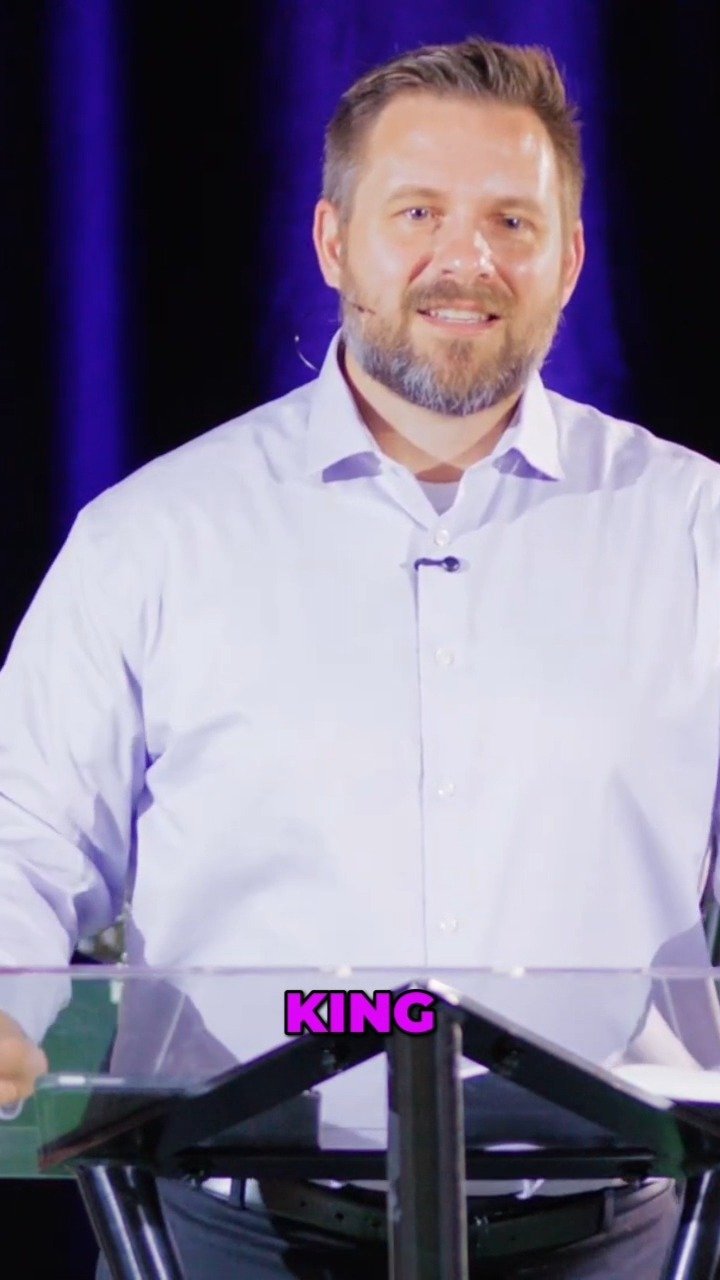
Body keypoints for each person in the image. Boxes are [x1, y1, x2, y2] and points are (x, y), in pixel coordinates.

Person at [0, 32, 715, 1278]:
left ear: (569, 260)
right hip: (223, 1240)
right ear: (334, 241)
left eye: (511, 220)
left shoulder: (697, 530)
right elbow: (21, 829)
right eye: (418, 212)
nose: (466, 259)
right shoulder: (152, 538)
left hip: (614, 1239)